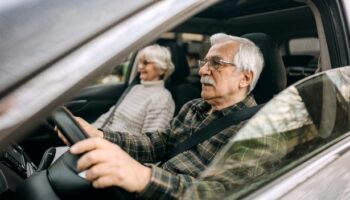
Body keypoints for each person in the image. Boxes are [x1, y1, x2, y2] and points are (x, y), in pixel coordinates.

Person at [60, 33, 265, 199]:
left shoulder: (258, 132)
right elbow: (158, 143)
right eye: (205, 62)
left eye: (216, 63)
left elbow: (224, 193)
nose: (202, 70)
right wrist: (102, 136)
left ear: (245, 78)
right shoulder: (194, 107)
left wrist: (144, 177)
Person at [92, 44, 175, 134]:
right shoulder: (136, 88)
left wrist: (102, 137)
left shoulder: (162, 99)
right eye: (139, 62)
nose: (139, 67)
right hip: (103, 137)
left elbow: (149, 143)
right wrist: (91, 130)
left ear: (161, 68)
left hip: (116, 145)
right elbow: (110, 116)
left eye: (146, 63)